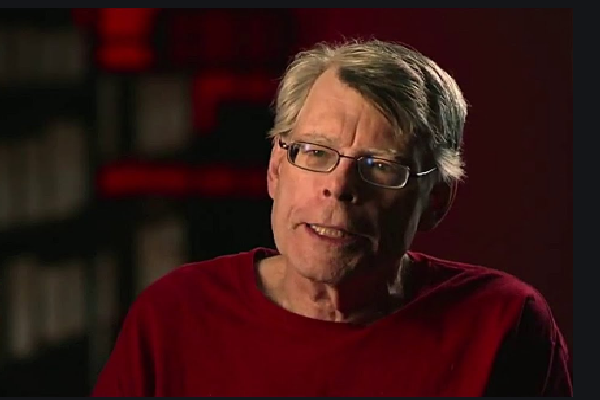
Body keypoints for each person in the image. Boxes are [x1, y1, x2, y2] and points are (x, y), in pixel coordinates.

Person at [92, 38, 573, 397]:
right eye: (315, 152)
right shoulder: (174, 315)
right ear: (276, 170)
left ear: (436, 202)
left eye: (381, 166)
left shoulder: (503, 325)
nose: (340, 187)